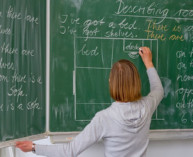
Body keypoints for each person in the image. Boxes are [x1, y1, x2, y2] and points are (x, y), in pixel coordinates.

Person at [16, 47, 164, 157]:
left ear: (110, 83)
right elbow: (158, 90)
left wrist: (34, 147)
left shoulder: (105, 118)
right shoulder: (147, 106)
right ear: (137, 83)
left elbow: (70, 151)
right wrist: (148, 63)